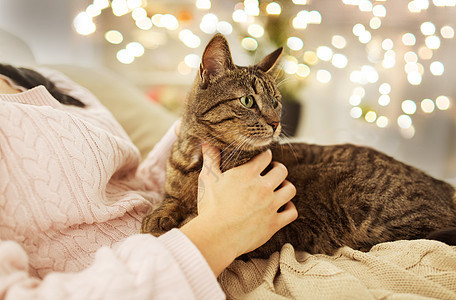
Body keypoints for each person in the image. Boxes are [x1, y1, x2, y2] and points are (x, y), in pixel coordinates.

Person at [0, 67, 297, 299]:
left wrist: (192, 140)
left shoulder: (51, 80)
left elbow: (126, 186)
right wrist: (216, 234)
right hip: (197, 267)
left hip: (213, 233)